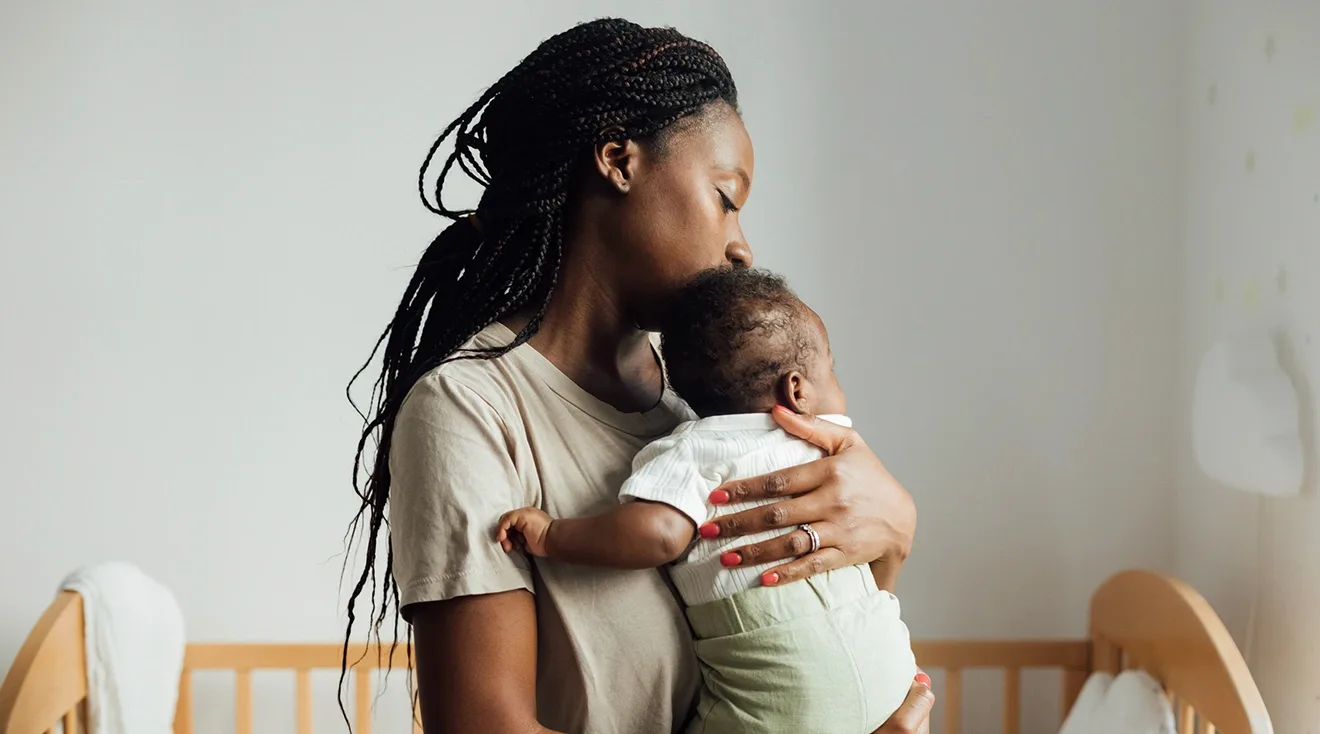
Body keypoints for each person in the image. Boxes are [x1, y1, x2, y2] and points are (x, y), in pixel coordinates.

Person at [343, 17, 933, 734]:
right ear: (620, 161)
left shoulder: (708, 417)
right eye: (725, 196)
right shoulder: (470, 408)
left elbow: (813, 641)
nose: (742, 247)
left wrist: (895, 529)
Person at [497, 267, 920, 732]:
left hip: (785, 694)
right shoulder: (836, 444)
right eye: (832, 369)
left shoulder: (695, 450)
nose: (839, 385)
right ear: (796, 389)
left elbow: (658, 533)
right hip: (891, 677)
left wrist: (553, 534)